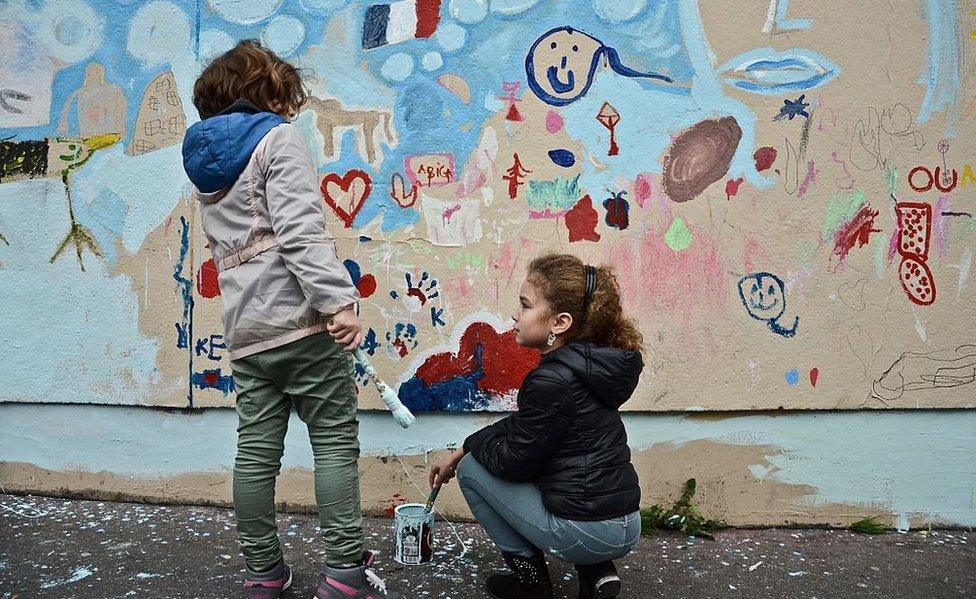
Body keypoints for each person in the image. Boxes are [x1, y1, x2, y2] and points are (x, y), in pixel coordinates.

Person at [181, 39, 392, 599]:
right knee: (332, 443)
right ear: (267, 92)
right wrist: (338, 303)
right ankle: (345, 573)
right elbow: (299, 234)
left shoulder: (206, 165)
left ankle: (263, 575)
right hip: (301, 323)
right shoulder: (278, 140)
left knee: (255, 452)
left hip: (247, 332)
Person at [429, 253, 645, 599]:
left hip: (587, 530)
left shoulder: (551, 380)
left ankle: (532, 584)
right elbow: (526, 425)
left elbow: (513, 463)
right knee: (554, 463)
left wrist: (466, 458)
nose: (516, 315)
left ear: (559, 323)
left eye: (525, 306)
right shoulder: (591, 369)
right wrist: (463, 447)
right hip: (626, 523)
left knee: (473, 471)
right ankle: (596, 574)